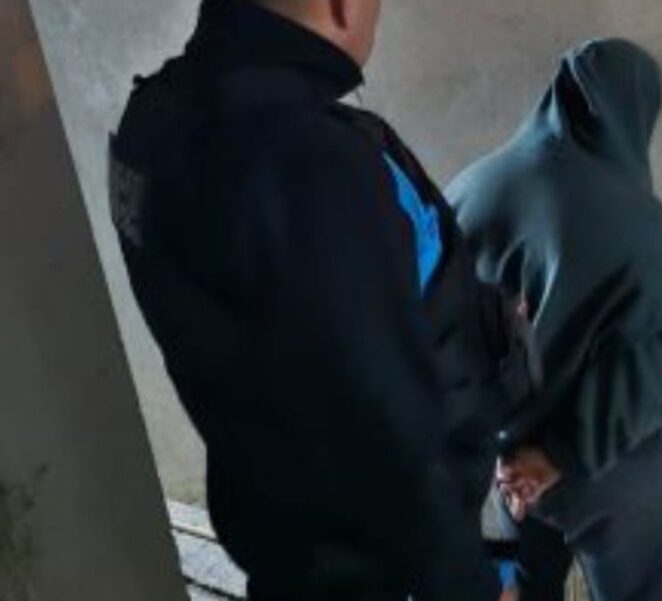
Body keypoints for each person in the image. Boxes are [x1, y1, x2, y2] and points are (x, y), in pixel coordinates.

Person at [109, 1, 529, 599]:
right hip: (383, 567)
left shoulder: (153, 117)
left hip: (284, 530)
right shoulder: (312, 161)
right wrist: (471, 587)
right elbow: (383, 426)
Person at [447, 39, 662, 601]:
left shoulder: (474, 186)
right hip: (603, 471)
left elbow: (437, 320)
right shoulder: (638, 223)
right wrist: (559, 455)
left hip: (506, 462)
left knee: (531, 580)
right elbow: (648, 372)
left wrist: (497, 445)